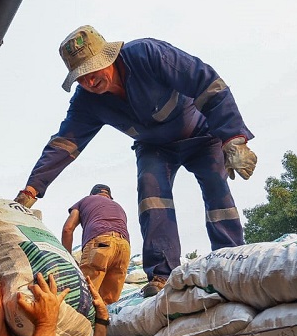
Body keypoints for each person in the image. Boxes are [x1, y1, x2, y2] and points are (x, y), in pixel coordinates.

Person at [17, 25, 257, 297]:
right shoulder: (87, 102)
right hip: (155, 148)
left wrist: (234, 137)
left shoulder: (147, 54)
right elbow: (65, 144)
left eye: (93, 71)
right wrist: (31, 189)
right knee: (151, 195)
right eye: (80, 77)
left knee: (217, 189)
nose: (89, 82)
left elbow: (207, 83)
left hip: (201, 134)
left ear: (108, 57)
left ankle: (231, 258)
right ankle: (162, 276)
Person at [61, 183, 131, 304]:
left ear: (92, 194)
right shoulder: (118, 207)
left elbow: (68, 229)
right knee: (107, 303)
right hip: (124, 247)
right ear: (109, 196)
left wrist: (68, 258)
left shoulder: (85, 201)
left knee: (85, 294)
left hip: (101, 242)